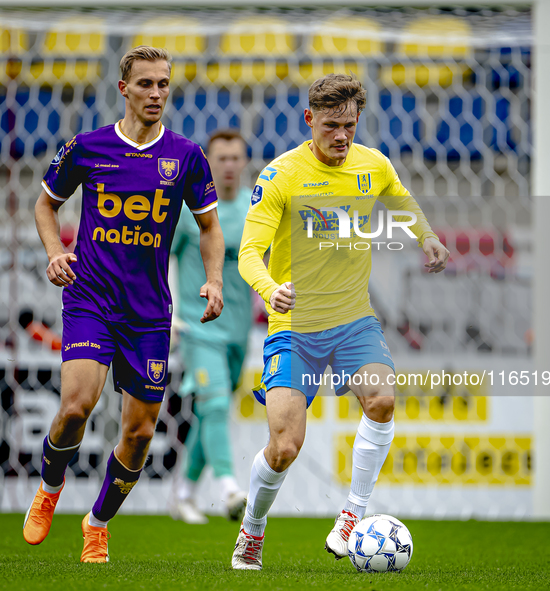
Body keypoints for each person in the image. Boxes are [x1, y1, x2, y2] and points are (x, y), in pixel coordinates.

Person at [231, 73, 450, 570]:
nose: (341, 136)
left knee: (383, 399)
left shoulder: (373, 165)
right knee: (285, 446)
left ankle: (352, 514)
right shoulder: (281, 175)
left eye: (350, 125)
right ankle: (253, 529)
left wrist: (428, 237)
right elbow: (248, 253)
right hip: (295, 326)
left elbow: (399, 199)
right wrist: (271, 290)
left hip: (354, 322)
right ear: (309, 119)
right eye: (331, 125)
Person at [23, 46, 224, 563]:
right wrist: (54, 252)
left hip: (149, 313)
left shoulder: (185, 155)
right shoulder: (87, 147)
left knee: (136, 435)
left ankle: (97, 522)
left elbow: (208, 227)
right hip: (90, 297)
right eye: (146, 84)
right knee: (75, 408)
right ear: (124, 89)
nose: (156, 93)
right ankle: (49, 490)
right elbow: (45, 203)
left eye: (163, 84)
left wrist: (215, 280)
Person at [169, 129, 251, 524]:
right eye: (222, 159)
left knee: (211, 412)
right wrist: (169, 313)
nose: (230, 166)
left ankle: (184, 492)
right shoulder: (189, 211)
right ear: (208, 162)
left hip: (238, 331)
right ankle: (229, 488)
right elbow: (164, 258)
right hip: (198, 325)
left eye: (236, 158)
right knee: (215, 403)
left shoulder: (256, 211)